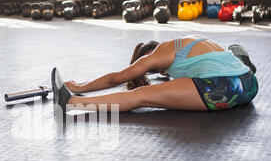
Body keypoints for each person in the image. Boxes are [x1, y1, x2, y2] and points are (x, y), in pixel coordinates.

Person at [51, 35, 258, 112]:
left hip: (224, 89)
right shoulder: (191, 42)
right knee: (188, 81)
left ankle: (70, 102)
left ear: (147, 55)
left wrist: (80, 87)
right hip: (249, 85)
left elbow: (116, 78)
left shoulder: (160, 52)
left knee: (140, 97)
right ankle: (242, 58)